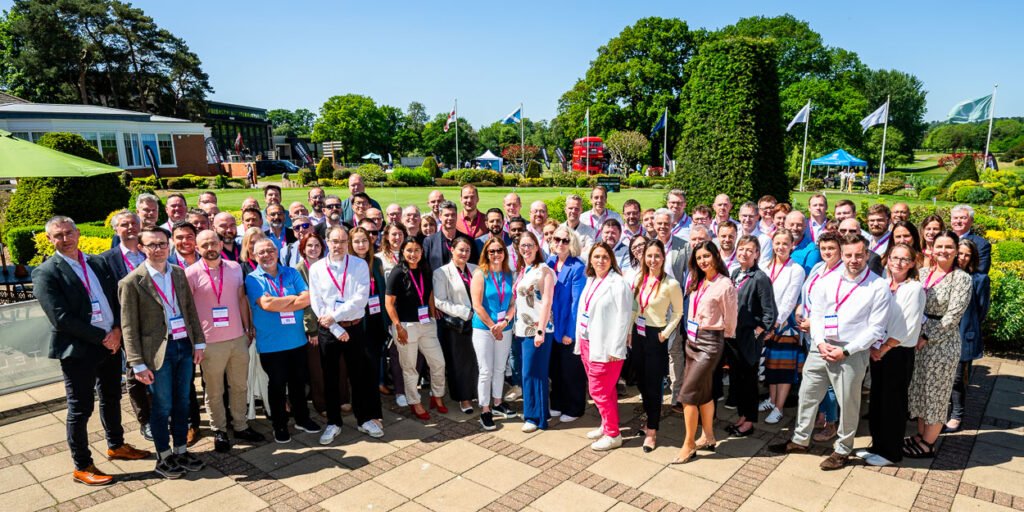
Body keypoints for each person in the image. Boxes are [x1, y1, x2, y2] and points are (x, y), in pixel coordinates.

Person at [34, 216, 150, 486]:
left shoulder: (97, 262)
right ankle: (82, 465)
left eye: (69, 232)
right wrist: (102, 338)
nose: (65, 239)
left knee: (111, 397)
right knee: (80, 408)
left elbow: (117, 299)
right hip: (79, 350)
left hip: (111, 343)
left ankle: (116, 445)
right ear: (50, 239)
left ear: (77, 233)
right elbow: (60, 318)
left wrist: (118, 330)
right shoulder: (46, 272)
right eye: (58, 235)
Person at [773, 234, 890, 471]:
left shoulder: (878, 285)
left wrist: (846, 351)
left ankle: (843, 450)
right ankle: (800, 440)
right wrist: (818, 342)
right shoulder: (828, 280)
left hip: (851, 351)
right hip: (821, 346)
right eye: (848, 255)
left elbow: (876, 328)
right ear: (842, 255)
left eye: (859, 255)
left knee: (848, 402)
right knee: (807, 395)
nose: (853, 260)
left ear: (867, 255)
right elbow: (816, 314)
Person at [120, 227, 206, 479]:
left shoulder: (178, 273)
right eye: (152, 245)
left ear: (169, 246)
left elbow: (189, 309)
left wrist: (199, 343)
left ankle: (181, 450)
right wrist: (137, 363)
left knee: (183, 402)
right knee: (162, 405)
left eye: (162, 244)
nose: (158, 249)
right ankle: (164, 456)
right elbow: (128, 327)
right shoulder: (131, 282)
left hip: (183, 345)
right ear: (141, 248)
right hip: (158, 352)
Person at [186, 230, 264, 453]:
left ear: (221, 245)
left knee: (239, 385)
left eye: (213, 243)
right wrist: (196, 341)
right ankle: (219, 429)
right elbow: (188, 309)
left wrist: (247, 328)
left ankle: (240, 425)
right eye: (204, 245)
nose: (210, 248)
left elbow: (241, 299)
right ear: (197, 248)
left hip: (237, 338)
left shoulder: (235, 268)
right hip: (210, 342)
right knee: (214, 390)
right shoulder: (190, 273)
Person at [309, 226, 384, 442]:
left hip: (354, 327)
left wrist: (334, 317)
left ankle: (364, 419)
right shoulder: (317, 268)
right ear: (327, 242)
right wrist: (334, 327)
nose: (339, 245)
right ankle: (333, 422)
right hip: (329, 331)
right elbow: (316, 301)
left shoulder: (359, 265)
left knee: (358, 375)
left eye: (343, 241)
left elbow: (360, 298)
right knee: (330, 377)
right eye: (335, 241)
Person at [245, 238, 322, 443]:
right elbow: (266, 304)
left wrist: (279, 302)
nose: (267, 255)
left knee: (298, 384)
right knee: (277, 386)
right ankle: (279, 425)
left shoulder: (291, 273)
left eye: (270, 250)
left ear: (277, 252)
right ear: (254, 256)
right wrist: (293, 300)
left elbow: (308, 298)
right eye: (261, 252)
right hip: (271, 344)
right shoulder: (252, 279)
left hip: (297, 340)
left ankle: (302, 419)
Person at [905, 231, 972, 458]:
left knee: (936, 393)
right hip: (917, 339)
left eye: (949, 247)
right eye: (939, 246)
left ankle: (928, 444)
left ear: (956, 250)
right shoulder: (922, 273)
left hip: (942, 344)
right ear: (931, 249)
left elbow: (953, 316)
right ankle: (920, 435)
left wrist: (926, 336)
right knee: (921, 389)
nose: (943, 251)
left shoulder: (961, 278)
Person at [859, 243, 924, 467]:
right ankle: (878, 445)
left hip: (896, 352)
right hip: (878, 350)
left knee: (893, 403)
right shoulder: (883, 284)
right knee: (877, 401)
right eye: (895, 257)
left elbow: (908, 326)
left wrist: (884, 348)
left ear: (912, 263)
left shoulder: (914, 288)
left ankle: (891, 452)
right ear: (887, 259)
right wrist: (872, 346)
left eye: (904, 259)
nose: (898, 262)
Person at [673, 241, 737, 464]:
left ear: (716, 256)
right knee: (705, 392)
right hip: (692, 340)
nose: (703, 261)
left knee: (687, 395)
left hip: (710, 343)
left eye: (706, 256)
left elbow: (731, 321)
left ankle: (688, 444)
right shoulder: (698, 280)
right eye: (699, 257)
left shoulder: (725, 284)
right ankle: (708, 435)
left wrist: (718, 341)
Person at [571, 241, 632, 451]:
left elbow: (624, 318)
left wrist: (616, 349)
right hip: (588, 342)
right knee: (606, 390)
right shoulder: (591, 280)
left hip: (606, 347)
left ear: (612, 260)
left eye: (605, 257)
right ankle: (607, 425)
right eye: (596, 256)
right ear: (590, 260)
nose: (600, 261)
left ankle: (614, 435)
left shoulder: (618, 283)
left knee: (598, 391)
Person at [99, 210, 152, 440]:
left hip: (155, 324)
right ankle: (146, 420)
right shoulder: (105, 260)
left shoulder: (150, 252)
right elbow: (106, 297)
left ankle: (162, 413)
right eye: (124, 224)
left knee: (159, 367)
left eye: (133, 223)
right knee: (135, 372)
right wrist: (116, 327)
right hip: (125, 325)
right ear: (115, 229)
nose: (130, 228)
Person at [385, 237, 447, 420]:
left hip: (426, 324)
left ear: (422, 252)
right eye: (409, 250)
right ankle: (414, 402)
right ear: (403, 252)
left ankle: (437, 395)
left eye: (417, 250)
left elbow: (429, 294)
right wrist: (398, 327)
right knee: (410, 368)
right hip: (406, 326)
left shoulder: (425, 269)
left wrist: (432, 312)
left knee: (439, 363)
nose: (413, 254)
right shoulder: (397, 272)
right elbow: (389, 303)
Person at [631, 239, 684, 452]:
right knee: (641, 382)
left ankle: (652, 431)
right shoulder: (640, 278)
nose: (652, 260)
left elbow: (678, 313)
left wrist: (665, 334)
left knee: (653, 386)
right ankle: (648, 419)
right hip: (638, 333)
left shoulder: (671, 284)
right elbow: (634, 307)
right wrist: (629, 332)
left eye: (657, 256)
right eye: (649, 255)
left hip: (656, 336)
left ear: (663, 258)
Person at [726, 235, 776, 438]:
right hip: (732, 337)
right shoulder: (735, 273)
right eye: (741, 249)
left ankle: (749, 422)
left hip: (748, 339)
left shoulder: (760, 278)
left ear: (757, 254)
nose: (744, 253)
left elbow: (770, 312)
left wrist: (757, 332)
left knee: (748, 382)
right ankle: (742, 416)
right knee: (738, 380)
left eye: (749, 250)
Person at [795, 232, 842, 443]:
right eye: (823, 248)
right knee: (816, 379)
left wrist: (813, 323)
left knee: (829, 382)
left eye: (831, 248)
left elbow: (837, 309)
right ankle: (821, 416)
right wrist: (800, 309)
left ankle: (831, 423)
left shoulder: (842, 273)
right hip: (810, 333)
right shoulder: (817, 268)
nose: (827, 252)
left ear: (840, 249)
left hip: (829, 335)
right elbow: (806, 293)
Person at [470, 238, 518, 430]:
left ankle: (497, 403)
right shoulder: (480, 274)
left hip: (504, 328)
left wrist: (505, 322)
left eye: (499, 250)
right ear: (486, 254)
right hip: (483, 329)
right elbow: (477, 305)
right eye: (492, 251)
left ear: (504, 253)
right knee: (486, 370)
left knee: (499, 368)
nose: (496, 254)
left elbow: (513, 303)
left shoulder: (509, 274)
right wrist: (493, 326)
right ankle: (485, 409)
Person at [761, 229, 807, 424]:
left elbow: (790, 299)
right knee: (771, 366)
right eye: (777, 243)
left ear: (792, 246)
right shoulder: (764, 266)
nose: (781, 247)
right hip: (767, 323)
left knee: (784, 369)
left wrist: (776, 323)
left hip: (784, 325)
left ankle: (779, 407)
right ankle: (771, 400)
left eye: (785, 244)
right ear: (772, 244)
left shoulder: (796, 270)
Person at [513, 232, 556, 432]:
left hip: (538, 329)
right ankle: (539, 412)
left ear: (537, 247)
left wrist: (540, 331)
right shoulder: (524, 269)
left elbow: (547, 301)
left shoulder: (544, 270)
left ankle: (534, 417)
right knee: (531, 372)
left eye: (530, 245)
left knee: (533, 372)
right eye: (523, 246)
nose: (526, 249)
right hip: (523, 329)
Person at [433, 236, 480, 414]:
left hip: (477, 322)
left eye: (467, 250)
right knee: (459, 362)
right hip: (457, 325)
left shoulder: (475, 269)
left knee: (475, 360)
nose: (464, 253)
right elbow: (439, 301)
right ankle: (463, 398)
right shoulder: (441, 272)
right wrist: (465, 312)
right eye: (461, 250)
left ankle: (475, 392)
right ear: (452, 250)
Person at [948, 238, 990, 433]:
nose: (962, 258)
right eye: (960, 253)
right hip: (943, 333)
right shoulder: (947, 274)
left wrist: (969, 324)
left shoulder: (979, 279)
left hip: (964, 333)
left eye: (967, 255)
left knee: (957, 378)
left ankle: (957, 415)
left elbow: (982, 309)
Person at [293, 231, 337, 418]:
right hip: (313, 326)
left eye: (317, 245)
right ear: (303, 249)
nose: (313, 249)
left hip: (333, 321)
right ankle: (321, 403)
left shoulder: (329, 265)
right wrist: (312, 330)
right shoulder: (298, 270)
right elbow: (306, 301)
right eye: (309, 245)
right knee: (317, 368)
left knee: (337, 363)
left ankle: (341, 398)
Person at [349, 227, 394, 404]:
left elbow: (382, 291)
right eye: (357, 241)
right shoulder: (349, 265)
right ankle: (365, 400)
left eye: (364, 241)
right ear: (351, 244)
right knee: (363, 363)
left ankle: (373, 397)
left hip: (377, 320)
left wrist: (387, 320)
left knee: (376, 359)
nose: (361, 245)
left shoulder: (376, 262)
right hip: (360, 321)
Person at [547, 226, 588, 423]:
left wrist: (570, 333)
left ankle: (574, 407)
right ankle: (557, 402)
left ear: (572, 243)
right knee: (555, 368)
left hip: (567, 326)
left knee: (571, 370)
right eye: (557, 239)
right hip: (551, 327)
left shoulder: (577, 267)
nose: (560, 243)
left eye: (565, 240)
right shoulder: (550, 262)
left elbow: (576, 303)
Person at [424, 200, 480, 271]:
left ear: (456, 216)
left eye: (453, 215)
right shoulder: (429, 242)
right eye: (446, 215)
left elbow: (475, 267)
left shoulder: (468, 241)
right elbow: (425, 268)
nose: (450, 218)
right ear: (440, 216)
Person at [950, 204, 991, 274]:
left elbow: (980, 273)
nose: (958, 221)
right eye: (955, 218)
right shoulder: (942, 239)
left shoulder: (981, 244)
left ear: (971, 221)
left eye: (963, 218)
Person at [737, 202, 772, 266]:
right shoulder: (734, 236)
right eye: (744, 216)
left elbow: (764, 265)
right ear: (739, 216)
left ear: (757, 217)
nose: (747, 219)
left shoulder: (765, 240)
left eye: (751, 216)